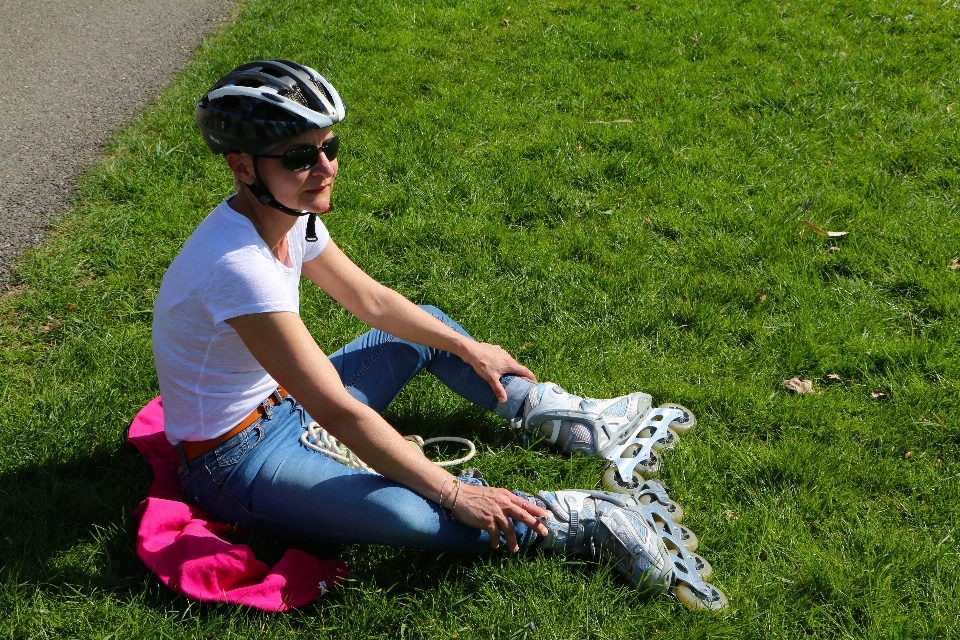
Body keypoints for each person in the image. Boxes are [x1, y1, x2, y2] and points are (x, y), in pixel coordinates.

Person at [152, 60, 672, 589]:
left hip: (284, 400)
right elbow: (335, 407)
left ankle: (566, 418)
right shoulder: (237, 266)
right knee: (415, 514)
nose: (326, 168)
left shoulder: (291, 216)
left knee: (423, 326)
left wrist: (467, 346)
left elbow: (371, 302)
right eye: (301, 157)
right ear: (243, 168)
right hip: (236, 461)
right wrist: (454, 491)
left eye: (329, 147)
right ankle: (573, 520)